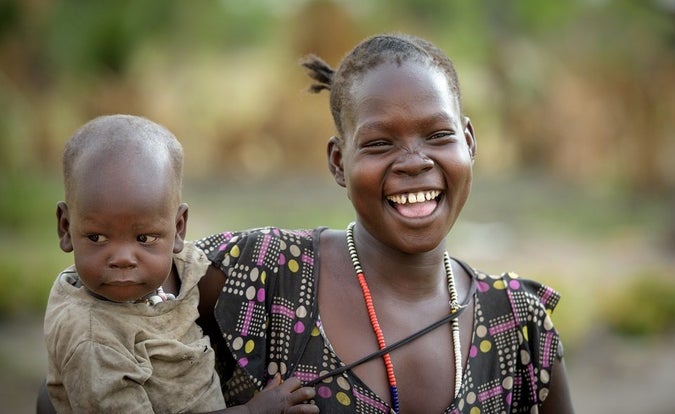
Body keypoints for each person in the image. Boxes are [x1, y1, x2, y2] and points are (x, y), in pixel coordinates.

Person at [195, 33, 574, 413]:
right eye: (379, 143)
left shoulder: (518, 325)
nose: (414, 161)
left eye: (439, 135)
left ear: (469, 142)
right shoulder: (262, 275)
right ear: (339, 162)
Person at [43, 114, 317, 414]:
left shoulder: (182, 267)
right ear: (66, 227)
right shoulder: (92, 340)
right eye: (97, 237)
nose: (122, 258)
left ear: (179, 228)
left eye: (144, 237)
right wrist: (253, 411)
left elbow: (246, 261)